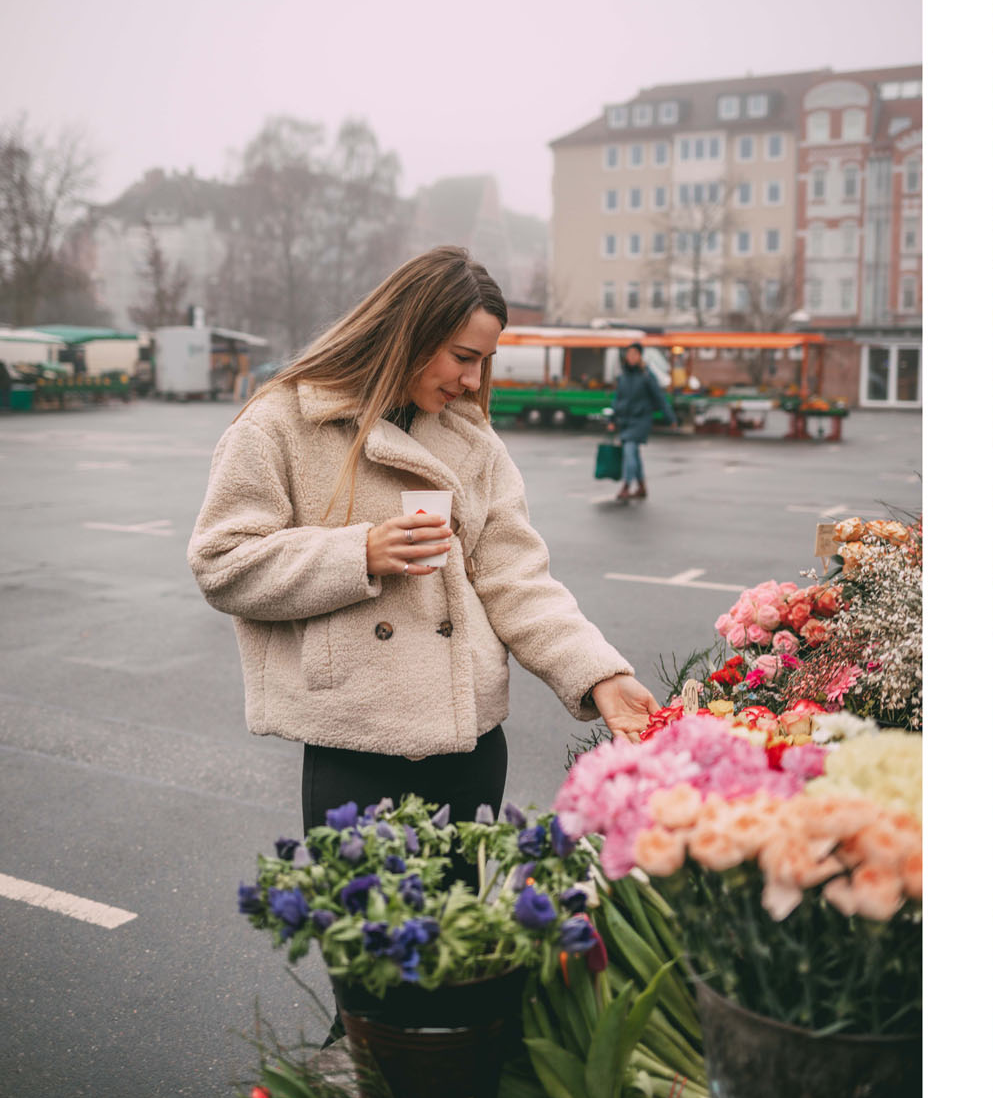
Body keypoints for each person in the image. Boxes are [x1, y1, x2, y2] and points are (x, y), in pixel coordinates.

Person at [188, 245, 661, 839]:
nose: (473, 380)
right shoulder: (281, 421)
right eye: (463, 357)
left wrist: (599, 675)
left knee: (467, 924)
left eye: (484, 361)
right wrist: (359, 554)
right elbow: (222, 561)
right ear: (409, 334)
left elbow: (517, 579)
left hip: (471, 741)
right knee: (370, 932)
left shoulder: (473, 439)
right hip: (355, 744)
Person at [608, 343, 670, 501]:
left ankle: (626, 486)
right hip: (626, 420)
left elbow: (659, 397)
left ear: (640, 356)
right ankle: (641, 486)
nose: (631, 357)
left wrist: (670, 417)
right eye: (629, 354)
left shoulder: (647, 376)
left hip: (641, 420)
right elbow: (618, 399)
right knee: (634, 454)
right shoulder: (623, 376)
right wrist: (612, 418)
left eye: (635, 354)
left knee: (629, 450)